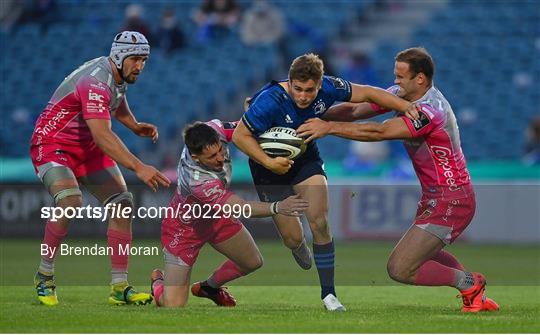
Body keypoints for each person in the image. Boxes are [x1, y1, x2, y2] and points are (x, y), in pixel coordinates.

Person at [296, 47, 500, 313]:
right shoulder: (401, 96)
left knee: (400, 268)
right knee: (423, 254)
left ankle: (471, 284)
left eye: (401, 77)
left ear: (420, 79)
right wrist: (314, 112)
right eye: (395, 76)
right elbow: (355, 111)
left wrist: (328, 128)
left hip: (453, 197)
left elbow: (379, 132)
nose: (395, 82)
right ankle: (473, 292)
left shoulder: (430, 110)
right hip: (435, 196)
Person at [232, 53, 417, 311]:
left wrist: (403, 106)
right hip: (267, 166)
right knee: (292, 237)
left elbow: (368, 93)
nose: (303, 96)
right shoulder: (270, 100)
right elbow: (240, 136)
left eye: (310, 90)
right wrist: (268, 161)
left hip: (305, 157)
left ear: (320, 85)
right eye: (298, 89)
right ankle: (297, 246)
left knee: (319, 220)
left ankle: (329, 295)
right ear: (290, 81)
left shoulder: (330, 86)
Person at [30, 31, 171, 306]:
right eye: (135, 59)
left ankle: (119, 287)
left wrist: (133, 124)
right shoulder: (95, 81)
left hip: (85, 149)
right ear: (119, 56)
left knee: (122, 204)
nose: (140, 66)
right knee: (70, 200)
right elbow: (102, 136)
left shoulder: (115, 75)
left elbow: (116, 100)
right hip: (52, 144)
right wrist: (138, 166)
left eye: (144, 60)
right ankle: (44, 276)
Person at [150, 120, 309, 308]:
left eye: (220, 150)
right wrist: (278, 207)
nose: (220, 158)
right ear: (195, 158)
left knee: (252, 261)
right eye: (212, 156)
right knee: (173, 305)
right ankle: (158, 282)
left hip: (215, 217)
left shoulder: (215, 128)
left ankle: (209, 288)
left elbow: (248, 127)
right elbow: (241, 207)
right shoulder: (198, 181)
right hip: (184, 229)